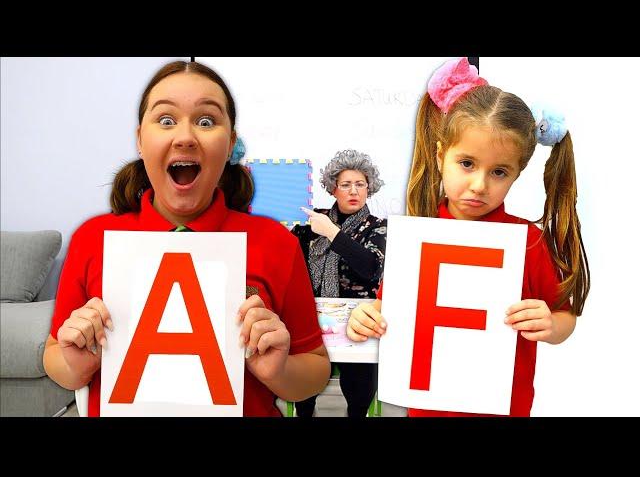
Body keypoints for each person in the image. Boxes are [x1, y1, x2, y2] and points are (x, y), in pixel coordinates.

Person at [42, 60, 331, 417]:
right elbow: (55, 355)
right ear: (140, 141)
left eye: (206, 121)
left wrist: (279, 371)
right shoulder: (93, 238)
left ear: (230, 146)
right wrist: (76, 365)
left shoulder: (276, 243)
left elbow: (315, 369)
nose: (185, 137)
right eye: (165, 120)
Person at [347, 57, 590, 417]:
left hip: (504, 408)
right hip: (429, 407)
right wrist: (364, 316)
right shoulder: (418, 237)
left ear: (517, 174)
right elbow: (387, 308)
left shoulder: (529, 242)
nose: (479, 185)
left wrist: (552, 325)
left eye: (499, 172)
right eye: (467, 164)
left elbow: (564, 317)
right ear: (441, 154)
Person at [292, 149, 387, 417]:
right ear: (334, 189)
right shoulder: (314, 221)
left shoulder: (377, 226)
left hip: (357, 324)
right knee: (304, 389)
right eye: (346, 185)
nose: (354, 191)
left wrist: (333, 233)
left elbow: (371, 268)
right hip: (313, 320)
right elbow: (290, 260)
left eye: (360, 184)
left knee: (358, 393)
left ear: (369, 188)